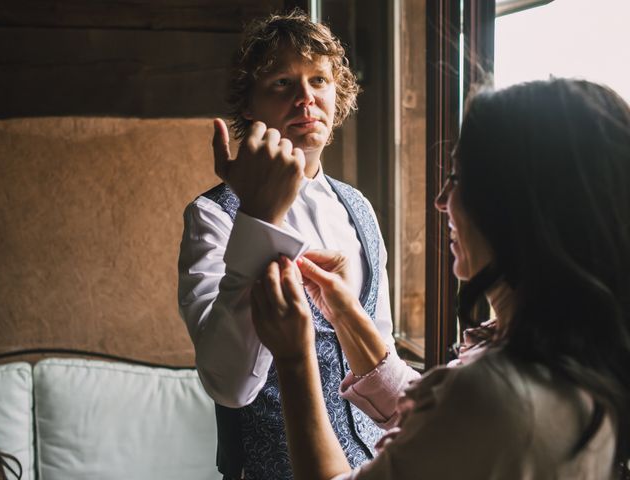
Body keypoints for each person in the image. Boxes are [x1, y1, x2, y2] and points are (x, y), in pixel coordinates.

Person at [251, 78, 630, 479]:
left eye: (459, 179)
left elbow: (460, 419)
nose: (441, 200)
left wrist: (295, 359)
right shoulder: (578, 357)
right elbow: (447, 435)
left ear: (517, 208)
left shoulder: (495, 395)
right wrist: (346, 315)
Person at [177, 9, 397, 479]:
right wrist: (258, 218)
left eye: (319, 80)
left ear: (337, 95)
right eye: (282, 82)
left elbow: (383, 347)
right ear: (249, 106)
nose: (306, 98)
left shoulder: (359, 208)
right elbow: (229, 386)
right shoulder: (213, 216)